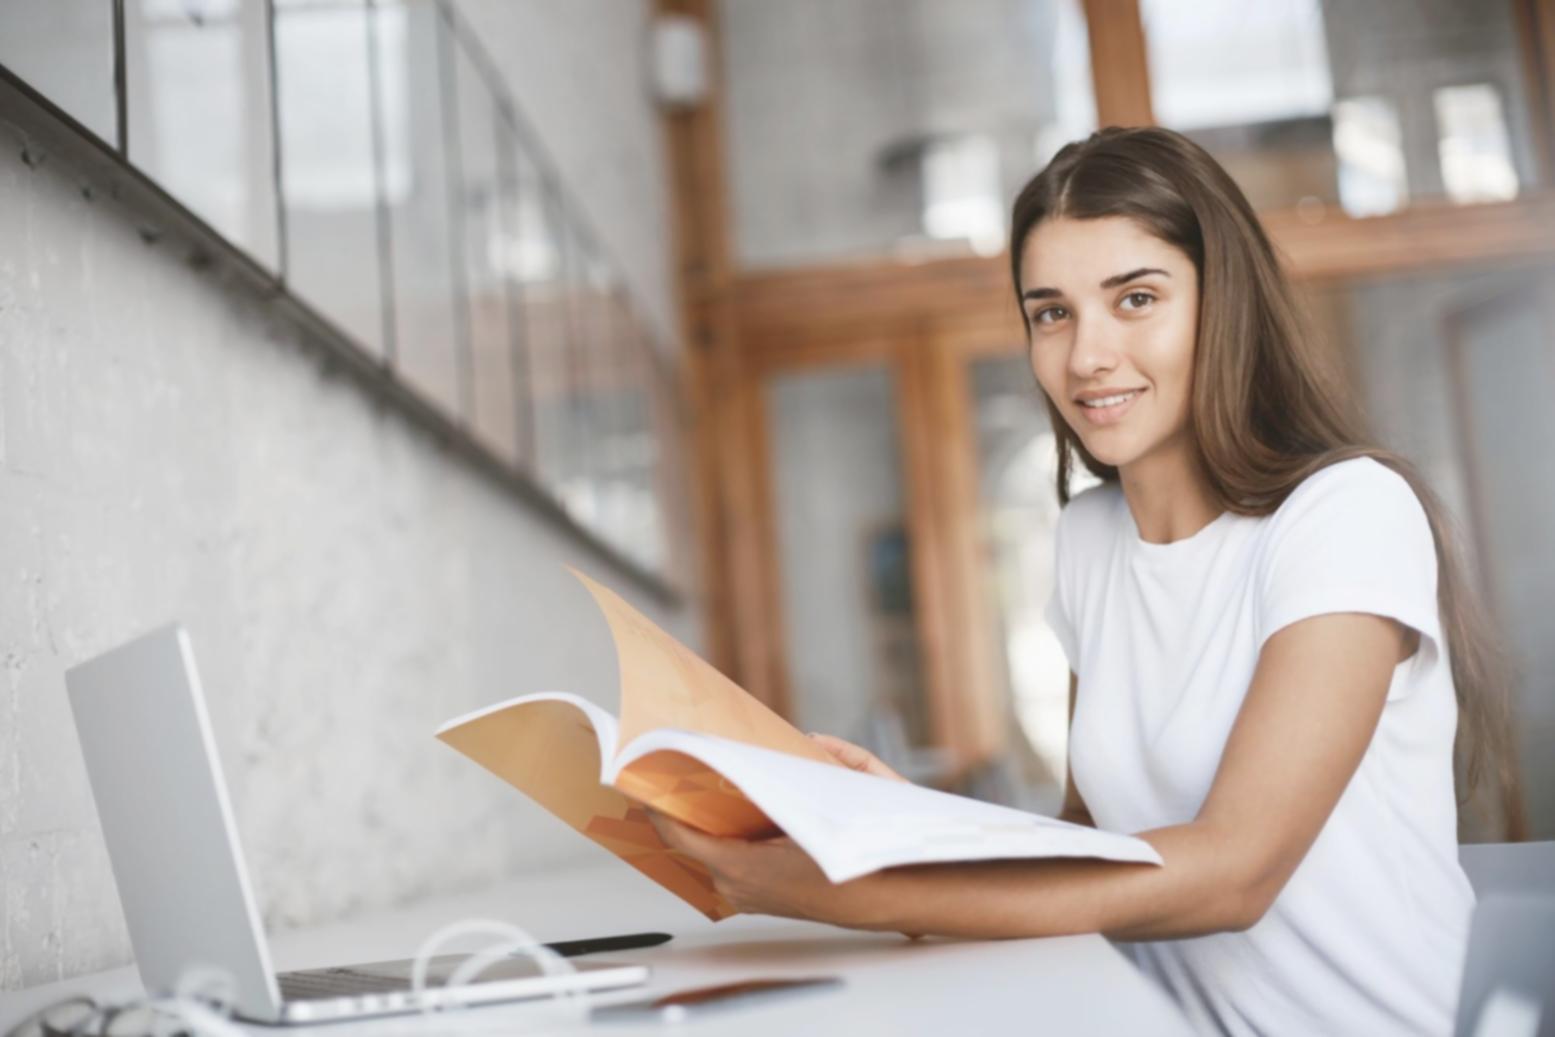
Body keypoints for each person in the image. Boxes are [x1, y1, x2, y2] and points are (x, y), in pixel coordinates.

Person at [646, 126, 1515, 1036]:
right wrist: (892, 818)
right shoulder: (1087, 540)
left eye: (1134, 298)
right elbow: (1086, 840)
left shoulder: (1345, 512)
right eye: (1051, 312)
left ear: (1225, 306)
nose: (1086, 355)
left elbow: (1234, 872)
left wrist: (848, 890)